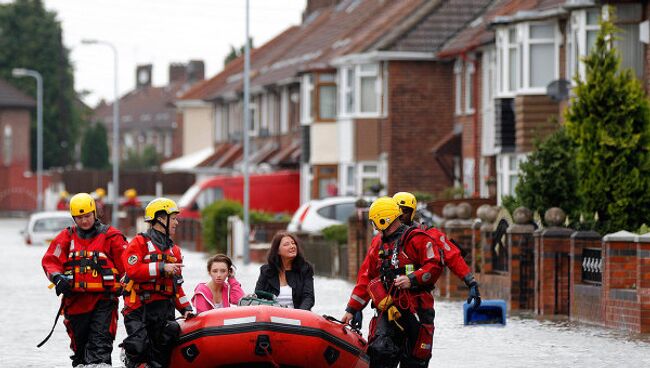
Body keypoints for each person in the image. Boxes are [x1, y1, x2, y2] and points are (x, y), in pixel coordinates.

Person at [341, 197, 480, 368]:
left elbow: (439, 262)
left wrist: (470, 282)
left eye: (406, 210)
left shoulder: (420, 237)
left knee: (415, 360)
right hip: (388, 307)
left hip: (417, 308)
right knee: (380, 352)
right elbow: (367, 276)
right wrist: (353, 308)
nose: (403, 213)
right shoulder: (378, 243)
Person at [41, 192, 127, 367]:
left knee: (100, 346)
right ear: (73, 218)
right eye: (79, 217)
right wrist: (58, 277)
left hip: (104, 300)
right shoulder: (66, 237)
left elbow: (127, 266)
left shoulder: (111, 237)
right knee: (80, 352)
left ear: (95, 213)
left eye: (87, 216)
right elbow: (51, 261)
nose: (84, 221)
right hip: (75, 302)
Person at [120, 197, 193, 368]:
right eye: (173, 218)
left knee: (163, 354)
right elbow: (133, 270)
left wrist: (186, 309)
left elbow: (176, 288)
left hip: (163, 309)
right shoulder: (139, 243)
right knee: (140, 347)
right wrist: (162, 267)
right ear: (161, 218)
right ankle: (130, 358)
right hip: (139, 307)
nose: (176, 222)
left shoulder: (175, 251)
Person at [254, 231, 315, 310]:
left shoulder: (305, 269)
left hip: (298, 316)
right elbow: (258, 296)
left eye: (293, 243)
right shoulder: (266, 271)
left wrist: (299, 314)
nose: (292, 246)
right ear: (277, 251)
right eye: (286, 244)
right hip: (271, 317)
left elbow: (309, 298)